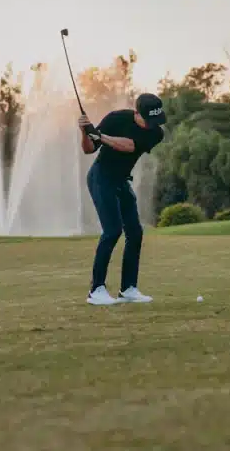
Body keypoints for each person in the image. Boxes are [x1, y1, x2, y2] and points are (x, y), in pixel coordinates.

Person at [78, 92, 167, 306]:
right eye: (148, 120)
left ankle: (128, 289)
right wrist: (86, 133)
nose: (151, 125)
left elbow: (130, 145)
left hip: (120, 181)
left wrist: (100, 136)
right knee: (112, 230)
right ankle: (96, 290)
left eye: (155, 120)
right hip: (101, 178)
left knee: (135, 232)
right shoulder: (116, 119)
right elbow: (89, 149)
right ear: (136, 113)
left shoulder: (156, 133)